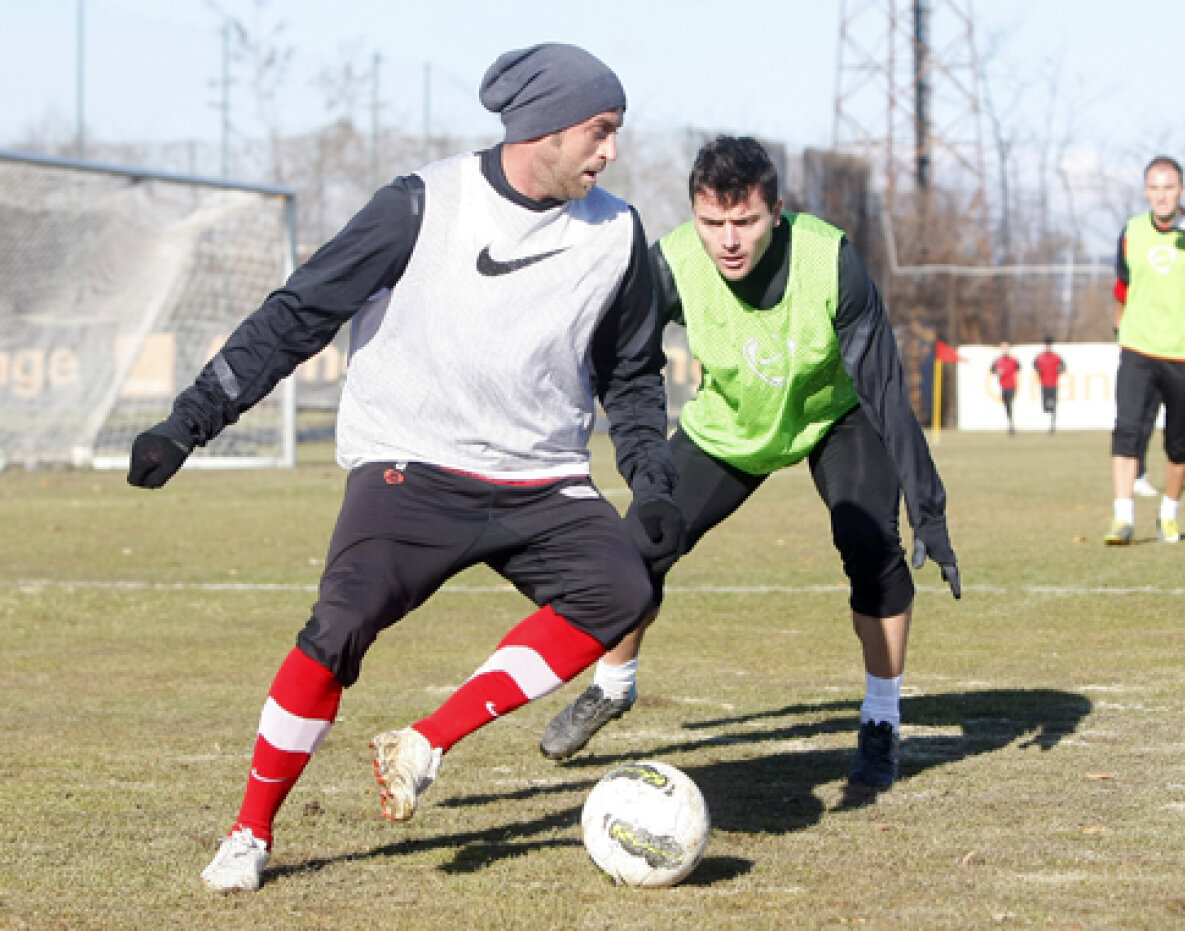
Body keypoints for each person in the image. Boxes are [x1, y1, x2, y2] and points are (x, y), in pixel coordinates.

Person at [126, 43, 687, 892]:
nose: (611, 151)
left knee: (621, 590)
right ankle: (249, 831)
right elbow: (297, 315)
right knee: (338, 626)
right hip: (413, 465)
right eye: (599, 131)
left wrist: (651, 479)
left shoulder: (618, 234)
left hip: (541, 476)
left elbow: (633, 374)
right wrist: (188, 421)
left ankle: (425, 741)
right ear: (544, 127)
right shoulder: (422, 204)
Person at [538, 136, 960, 789]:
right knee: (636, 550)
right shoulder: (671, 263)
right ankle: (613, 687)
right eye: (712, 222)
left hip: (834, 416)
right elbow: (627, 363)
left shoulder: (830, 260)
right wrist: (646, 473)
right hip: (730, 426)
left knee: (870, 544)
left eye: (745, 221)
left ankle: (881, 719)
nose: (728, 240)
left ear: (777, 213)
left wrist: (927, 507)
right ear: (694, 215)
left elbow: (883, 388)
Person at [1106, 154, 1185, 545]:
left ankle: (1169, 514)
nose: (1162, 195)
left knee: (1179, 443)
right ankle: (1122, 518)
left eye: (1169, 188)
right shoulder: (1132, 231)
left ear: (1182, 190)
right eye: (1155, 188)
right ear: (1146, 191)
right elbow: (1122, 287)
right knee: (1127, 429)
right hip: (1138, 347)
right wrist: (1119, 328)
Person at [1032, 336, 1066, 433]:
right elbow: (1034, 365)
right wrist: (1038, 370)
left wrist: (1060, 369)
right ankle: (1050, 421)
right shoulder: (1040, 357)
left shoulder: (1056, 357)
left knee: (1053, 405)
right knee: (1046, 407)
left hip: (1053, 384)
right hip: (1044, 384)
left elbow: (1063, 366)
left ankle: (1052, 425)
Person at [990, 342, 1020, 435]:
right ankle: (1010, 423)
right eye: (1003, 348)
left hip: (1011, 386)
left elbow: (1019, 368)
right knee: (1007, 405)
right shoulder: (998, 361)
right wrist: (998, 372)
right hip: (1003, 386)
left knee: (1009, 404)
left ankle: (1011, 425)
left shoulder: (1014, 360)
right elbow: (992, 369)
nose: (1005, 350)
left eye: (1006, 348)